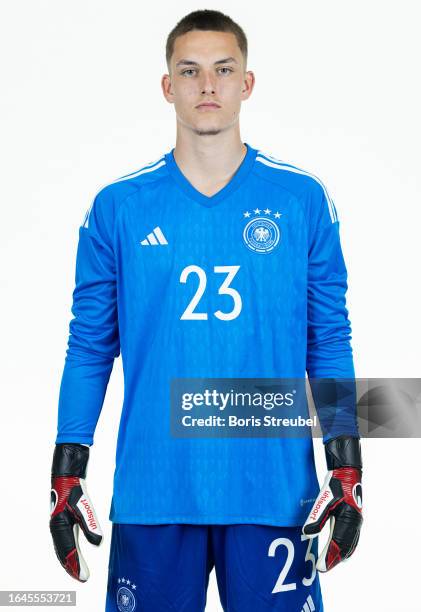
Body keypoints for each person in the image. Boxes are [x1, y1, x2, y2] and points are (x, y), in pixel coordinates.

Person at [49, 9, 363, 612]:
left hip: (274, 491)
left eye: (224, 69)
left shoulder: (300, 200)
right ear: (168, 86)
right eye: (190, 71)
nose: (207, 85)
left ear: (247, 82)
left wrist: (346, 464)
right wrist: (67, 468)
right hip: (155, 489)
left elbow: (329, 337)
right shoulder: (119, 207)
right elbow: (89, 345)